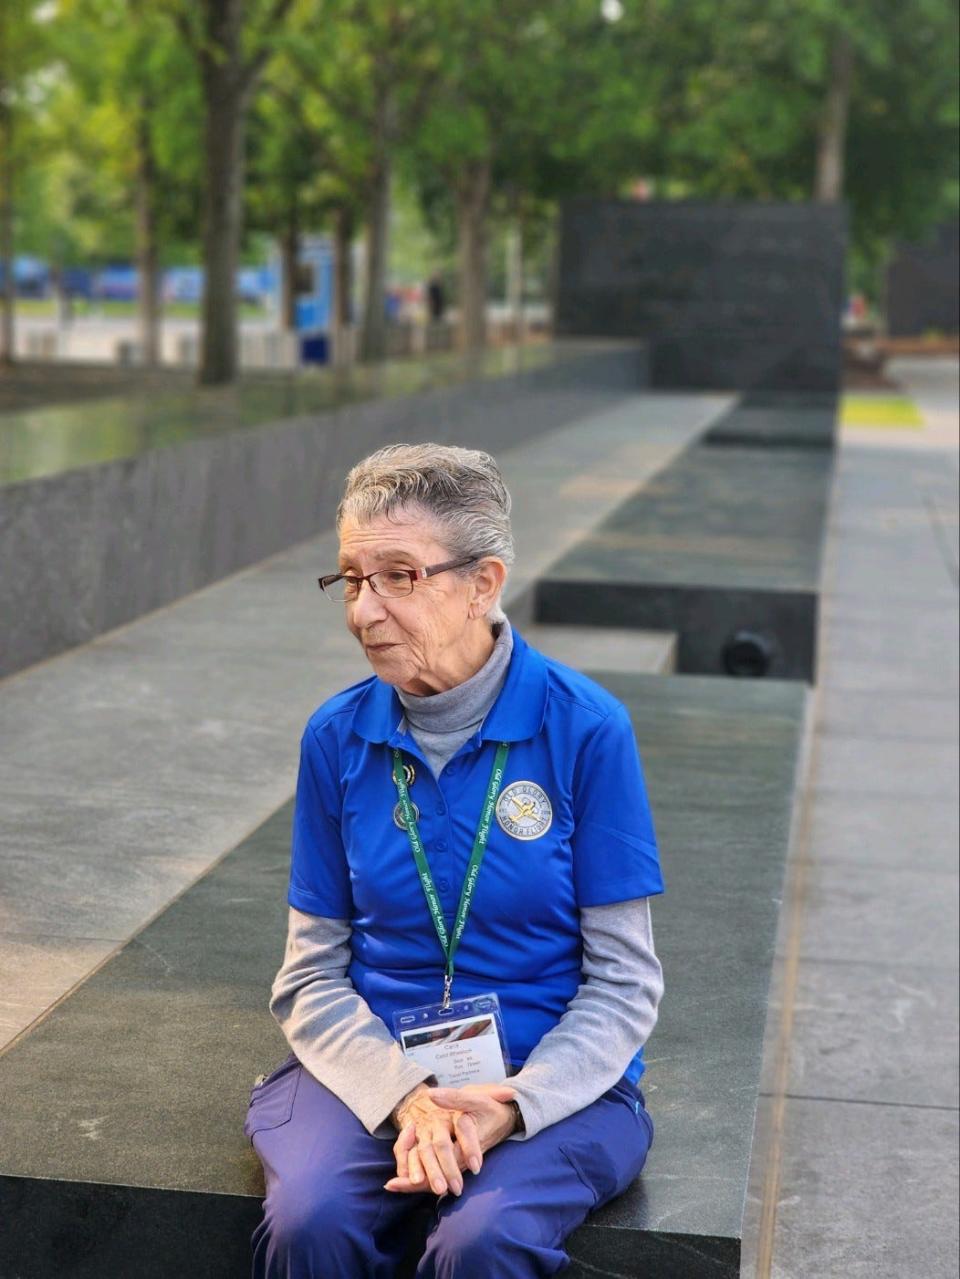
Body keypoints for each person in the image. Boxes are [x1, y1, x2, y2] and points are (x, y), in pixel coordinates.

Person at [244, 443, 666, 1277]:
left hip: (551, 1076)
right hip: (371, 1069)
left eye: (398, 575)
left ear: (483, 583)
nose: (365, 611)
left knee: (482, 1241)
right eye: (351, 580)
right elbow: (310, 975)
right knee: (312, 1220)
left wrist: (513, 1103)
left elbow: (625, 982)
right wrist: (407, 1096)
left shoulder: (585, 727)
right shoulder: (335, 737)